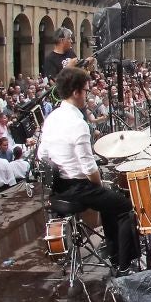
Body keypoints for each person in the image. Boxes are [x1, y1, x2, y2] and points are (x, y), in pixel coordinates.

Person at [37, 66, 138, 271]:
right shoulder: (78, 123)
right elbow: (87, 165)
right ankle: (123, 264)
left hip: (59, 187)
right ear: (76, 92)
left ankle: (115, 253)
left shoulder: (51, 118)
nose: (87, 94)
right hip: (78, 187)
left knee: (109, 202)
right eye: (86, 90)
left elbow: (42, 156)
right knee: (126, 207)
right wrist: (99, 185)